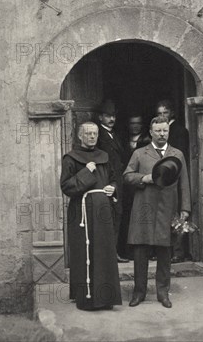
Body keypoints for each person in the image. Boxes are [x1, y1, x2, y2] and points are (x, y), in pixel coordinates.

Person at [123, 116, 191, 308]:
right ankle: (139, 293)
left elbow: (184, 182)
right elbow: (126, 176)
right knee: (140, 253)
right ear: (151, 132)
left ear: (168, 132)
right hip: (143, 208)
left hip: (167, 208)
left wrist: (185, 209)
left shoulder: (177, 154)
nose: (162, 134)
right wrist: (144, 178)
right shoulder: (139, 153)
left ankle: (163, 293)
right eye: (158, 131)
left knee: (164, 253)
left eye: (165, 130)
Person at [60, 122, 123, 310]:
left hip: (103, 211)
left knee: (104, 252)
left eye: (95, 133)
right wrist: (86, 172)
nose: (92, 137)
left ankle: (106, 298)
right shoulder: (71, 158)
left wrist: (113, 188)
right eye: (88, 134)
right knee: (83, 252)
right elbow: (66, 186)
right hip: (81, 213)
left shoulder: (104, 156)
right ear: (80, 136)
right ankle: (86, 298)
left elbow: (113, 178)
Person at [156, 99, 191, 263]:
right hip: (162, 179)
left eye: (165, 113)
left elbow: (179, 156)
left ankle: (178, 251)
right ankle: (163, 250)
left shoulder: (179, 131)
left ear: (172, 113)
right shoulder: (158, 131)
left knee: (178, 216)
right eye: (160, 113)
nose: (162, 116)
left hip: (175, 176)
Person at [96, 99, 128, 263]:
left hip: (117, 182)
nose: (112, 119)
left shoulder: (114, 134)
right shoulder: (98, 135)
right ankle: (107, 256)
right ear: (100, 117)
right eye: (108, 116)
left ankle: (114, 252)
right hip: (106, 183)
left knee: (117, 216)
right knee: (107, 218)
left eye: (114, 116)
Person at [119, 114, 151, 260]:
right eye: (132, 123)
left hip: (145, 185)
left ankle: (149, 252)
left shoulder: (148, 141)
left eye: (138, 123)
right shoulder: (122, 140)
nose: (135, 126)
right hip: (127, 185)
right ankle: (127, 251)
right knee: (127, 218)